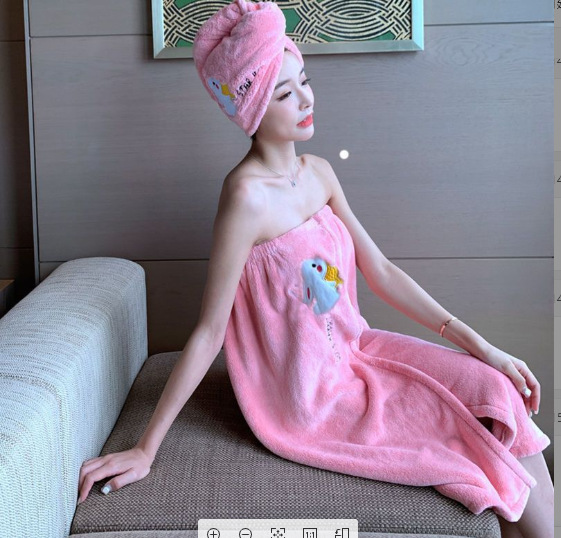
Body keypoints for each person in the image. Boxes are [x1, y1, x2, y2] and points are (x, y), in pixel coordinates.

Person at [77, 1, 553, 535]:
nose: (305, 100)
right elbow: (210, 331)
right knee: (465, 442)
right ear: (252, 109)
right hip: (310, 395)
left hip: (358, 348)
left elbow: (381, 270)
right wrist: (145, 448)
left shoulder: (320, 173)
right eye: (284, 93)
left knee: (496, 388)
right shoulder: (245, 199)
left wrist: (483, 347)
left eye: (304, 81)